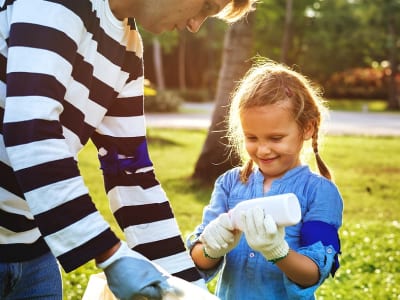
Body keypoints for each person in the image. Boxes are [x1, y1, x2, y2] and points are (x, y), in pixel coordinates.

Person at [0, 0, 256, 299]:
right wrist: (109, 253)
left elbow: (129, 172)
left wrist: (190, 289)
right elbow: (30, 129)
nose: (195, 25)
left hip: (32, 250)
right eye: (206, 6)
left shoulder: (128, 51)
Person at [187, 59, 343, 299]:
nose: (262, 150)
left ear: (308, 128)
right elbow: (197, 259)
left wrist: (277, 251)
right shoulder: (229, 184)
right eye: (252, 137)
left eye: (276, 138)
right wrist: (212, 246)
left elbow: (313, 273)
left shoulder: (320, 192)